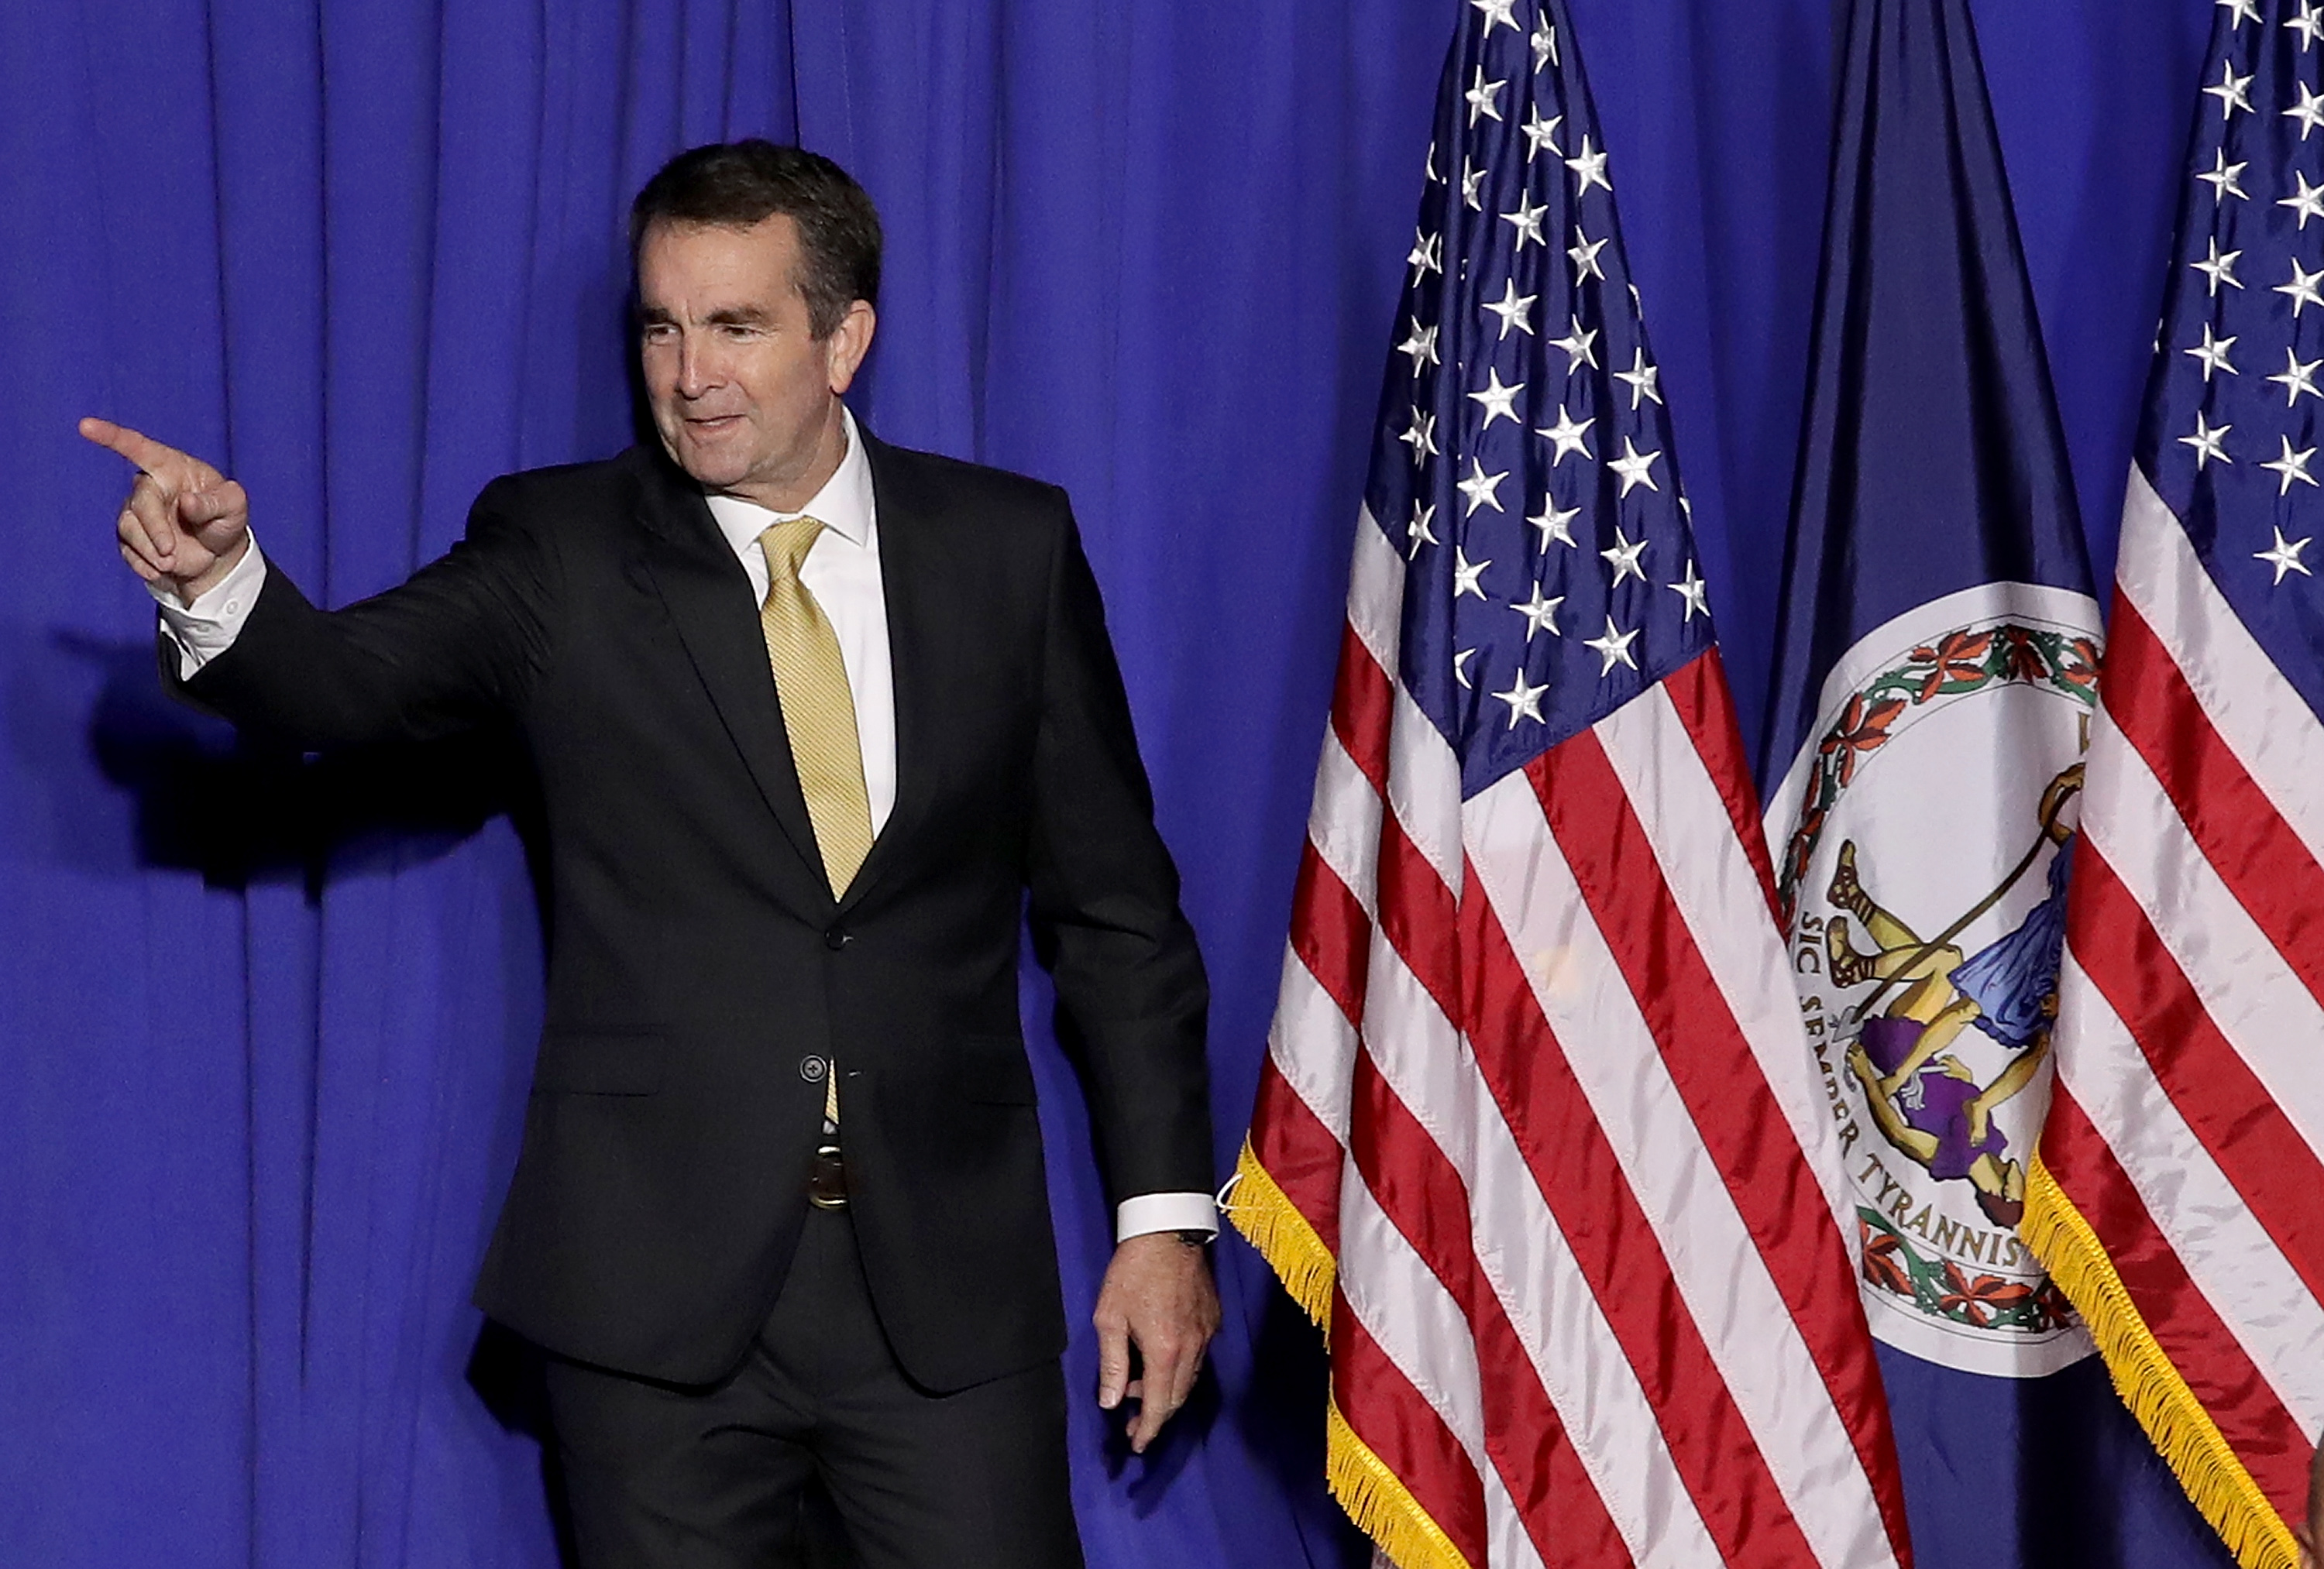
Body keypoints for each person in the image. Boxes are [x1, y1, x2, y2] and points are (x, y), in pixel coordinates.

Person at [83, 139, 1220, 1569]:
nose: (690, 374)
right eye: (662, 325)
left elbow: (1118, 915)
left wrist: (1165, 1221)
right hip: (655, 1303)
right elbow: (343, 685)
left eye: (737, 325)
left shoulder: (1009, 547)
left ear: (845, 337)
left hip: (944, 1294)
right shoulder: (559, 549)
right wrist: (221, 585)